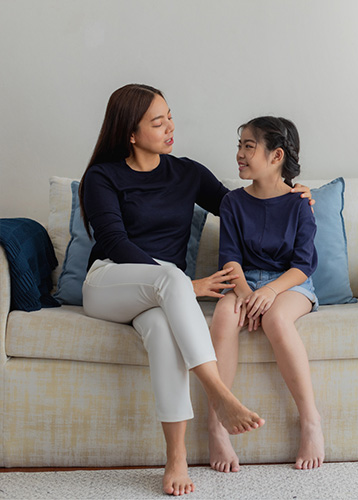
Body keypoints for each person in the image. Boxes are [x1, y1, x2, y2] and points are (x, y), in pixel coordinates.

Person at [79, 84, 314, 496]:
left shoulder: (187, 172)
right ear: (130, 133)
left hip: (159, 297)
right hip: (110, 283)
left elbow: (242, 207)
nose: (170, 126)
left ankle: (176, 458)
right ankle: (220, 395)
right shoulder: (103, 176)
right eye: (157, 121)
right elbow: (115, 242)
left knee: (164, 337)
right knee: (171, 278)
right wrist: (188, 286)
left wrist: (291, 195)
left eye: (169, 115)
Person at [207, 116, 325, 472]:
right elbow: (229, 258)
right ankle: (216, 428)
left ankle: (310, 422)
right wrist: (244, 293)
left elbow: (303, 265)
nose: (240, 154)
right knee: (224, 314)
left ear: (275, 156)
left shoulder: (299, 203)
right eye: (239, 146)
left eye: (248, 146)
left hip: (290, 283)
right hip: (244, 280)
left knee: (275, 317)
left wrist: (270, 292)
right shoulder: (232, 202)